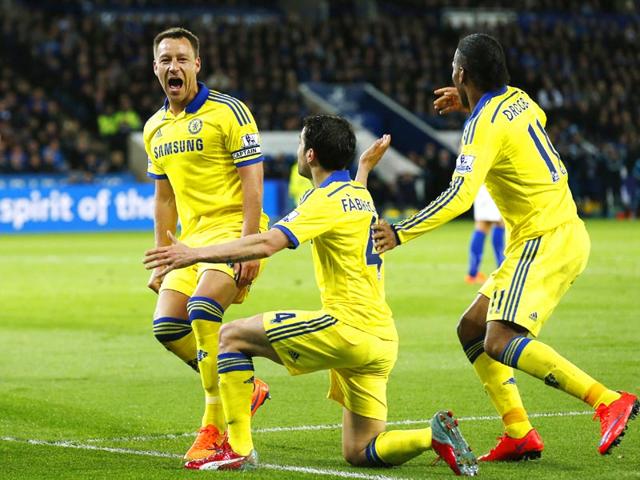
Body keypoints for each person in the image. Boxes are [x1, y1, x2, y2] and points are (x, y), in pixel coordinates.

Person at [144, 115, 478, 476]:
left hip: (346, 329)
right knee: (360, 450)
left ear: (312, 155)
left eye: (301, 145)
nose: (298, 152)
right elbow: (349, 194)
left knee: (230, 337)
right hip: (380, 339)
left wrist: (192, 254)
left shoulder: (325, 200)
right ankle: (432, 436)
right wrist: (363, 165)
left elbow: (268, 242)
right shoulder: (360, 195)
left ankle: (237, 448)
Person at [367, 33, 638, 461]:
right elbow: (528, 122)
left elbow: (459, 195)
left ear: (462, 75)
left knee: (499, 339)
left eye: (455, 69)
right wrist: (474, 106)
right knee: (472, 329)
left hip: (544, 237)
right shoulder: (520, 99)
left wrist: (402, 231)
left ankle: (608, 400)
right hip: (553, 231)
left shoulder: (483, 124)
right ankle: (519, 432)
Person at [143, 27, 270, 461]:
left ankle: (214, 425)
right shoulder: (154, 128)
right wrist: (162, 257)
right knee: (167, 327)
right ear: (155, 68)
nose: (173, 67)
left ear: (197, 64)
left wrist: (250, 243)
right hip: (190, 242)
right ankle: (243, 386)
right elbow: (164, 198)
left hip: (234, 231)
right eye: (165, 60)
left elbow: (254, 182)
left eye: (181, 58)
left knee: (201, 309)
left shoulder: (229, 111)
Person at [465, 184, 505, 284]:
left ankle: (473, 273)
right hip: (491, 186)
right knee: (498, 223)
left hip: (481, 186)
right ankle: (501, 269)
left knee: (483, 226)